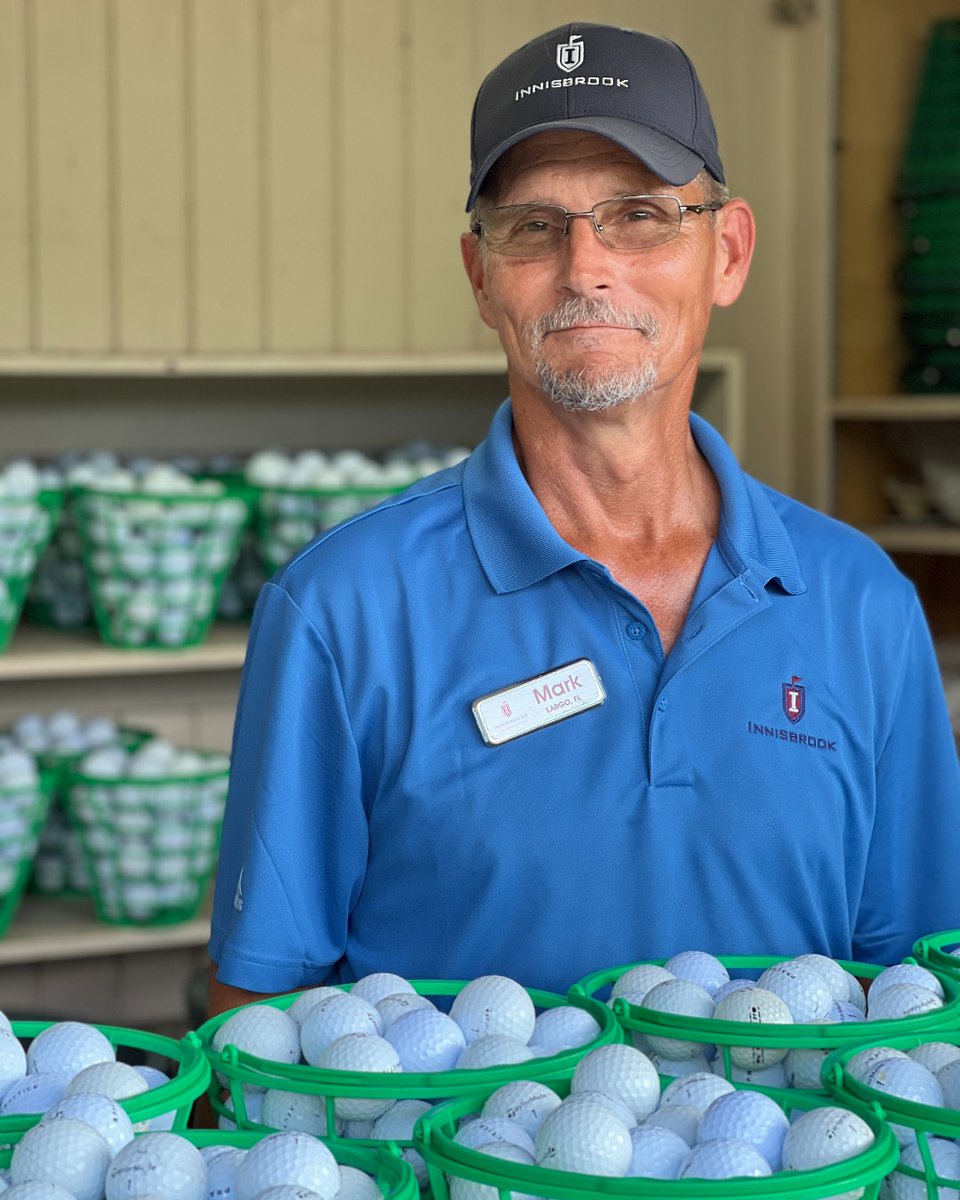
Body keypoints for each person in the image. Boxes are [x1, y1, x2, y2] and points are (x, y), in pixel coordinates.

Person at [207, 22, 960, 1015]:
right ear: (482, 277)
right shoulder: (342, 610)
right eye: (533, 225)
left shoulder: (862, 604)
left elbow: (916, 992)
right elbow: (259, 1014)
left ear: (728, 253)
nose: (584, 266)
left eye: (640, 215)